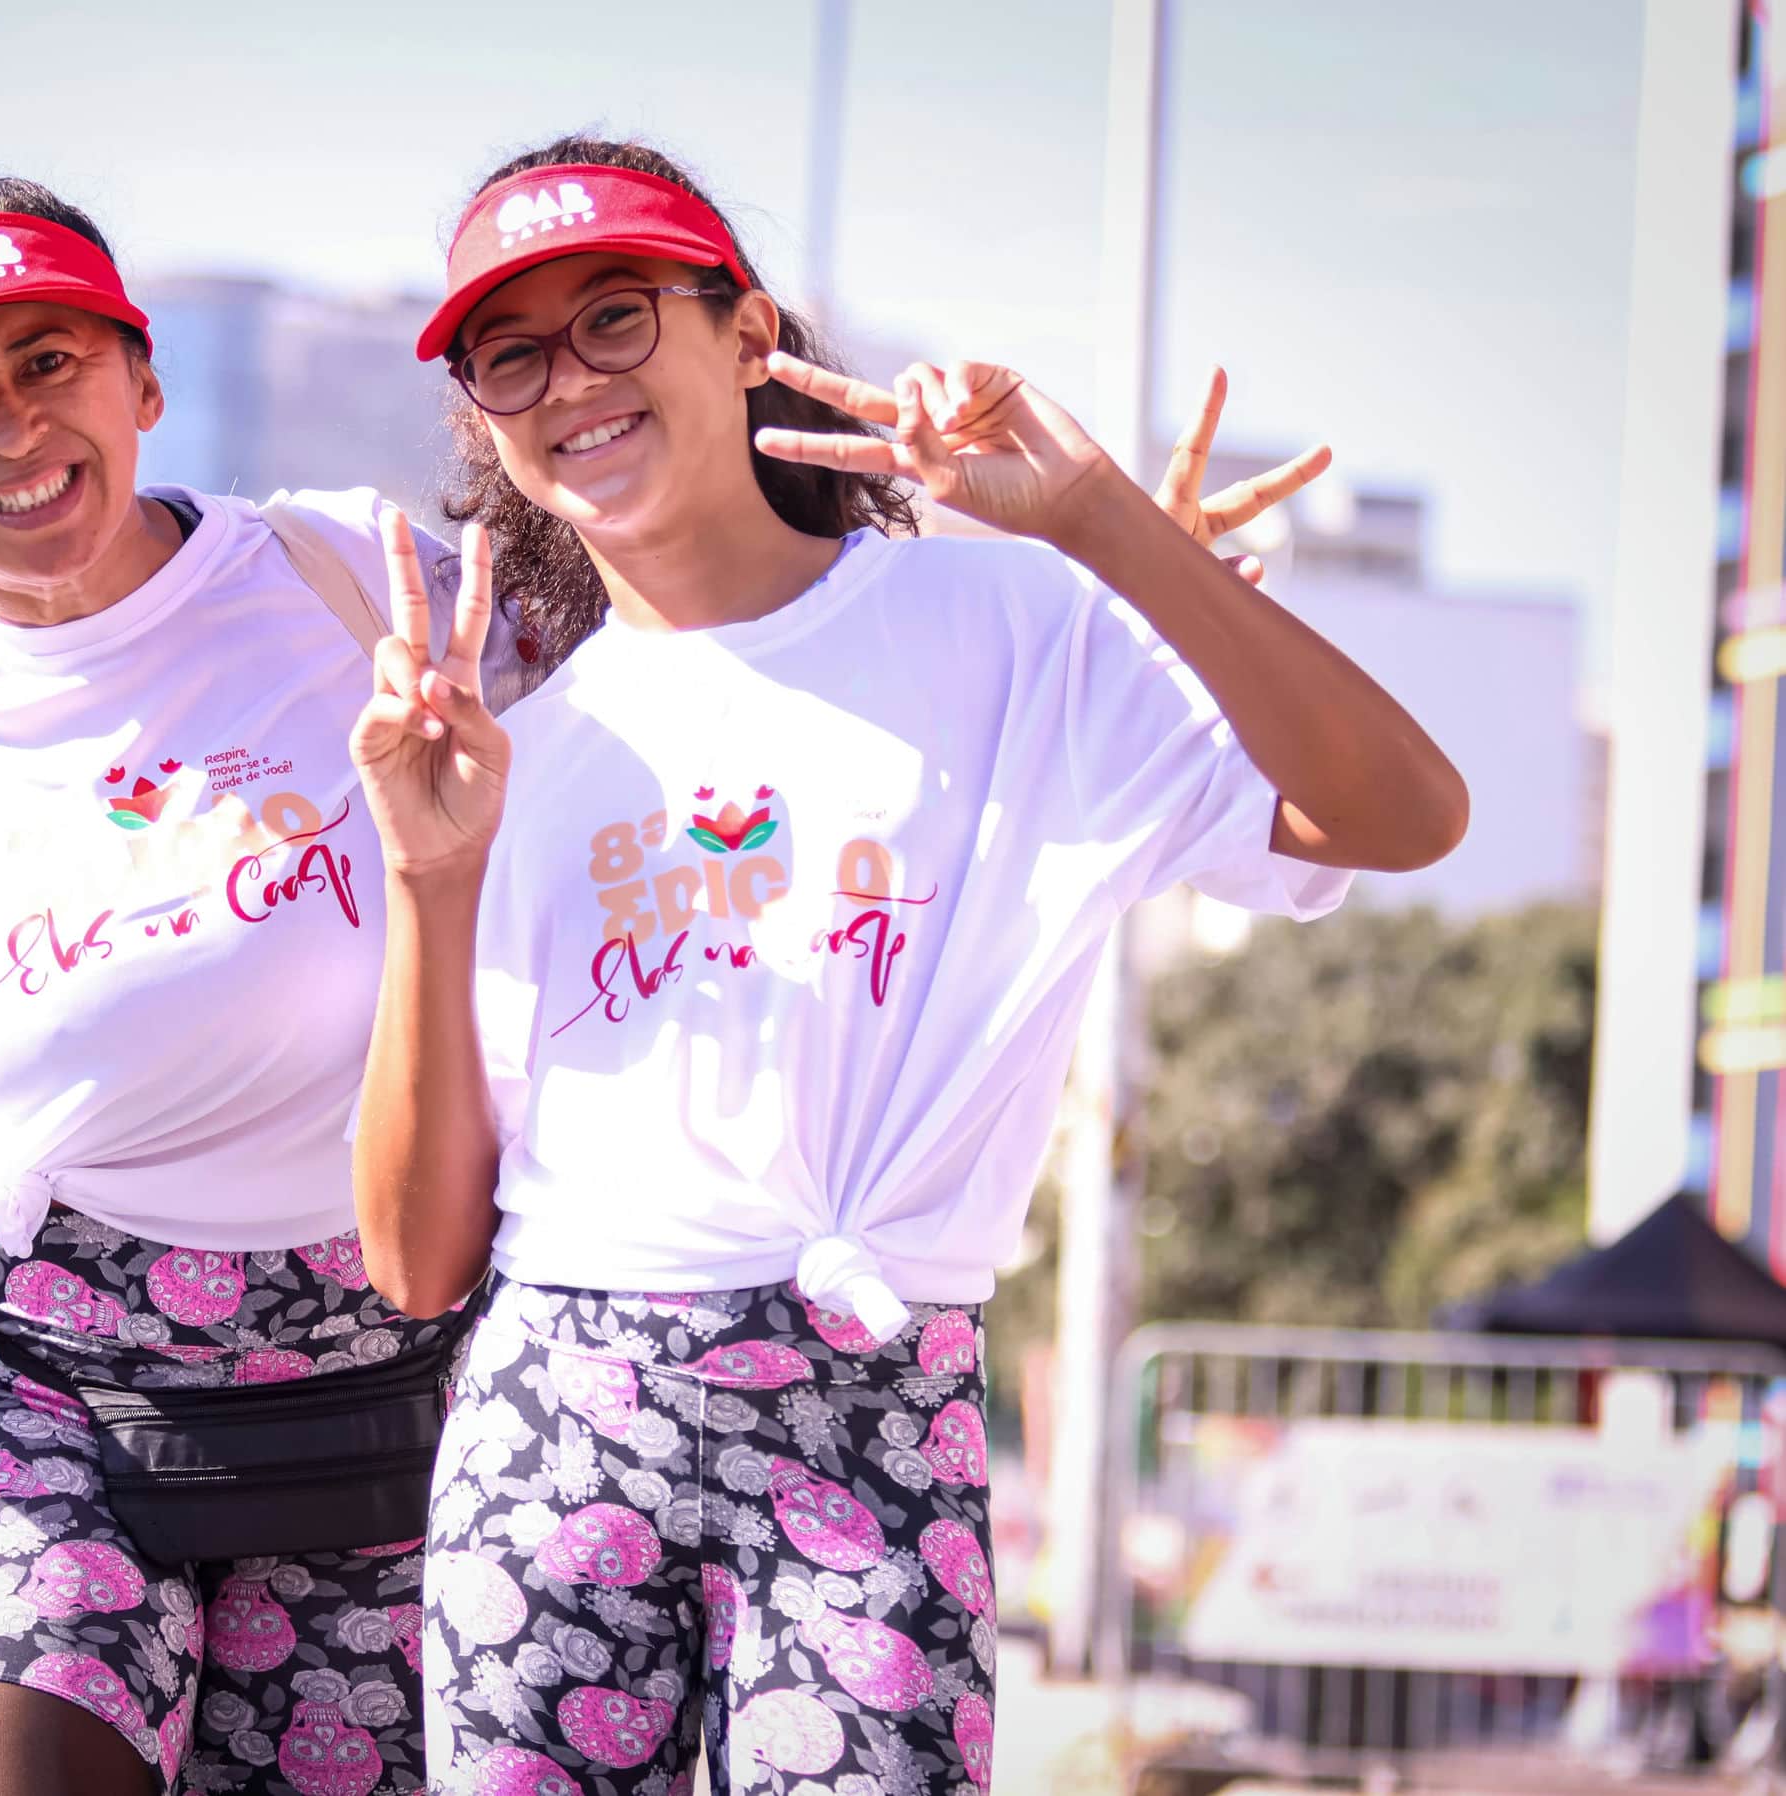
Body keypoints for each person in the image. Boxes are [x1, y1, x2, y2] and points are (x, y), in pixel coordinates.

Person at [0, 159, 1311, 1796]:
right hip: (36, 1397)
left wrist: (1112, 597)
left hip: (385, 1401)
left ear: (142, 382)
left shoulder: (361, 585)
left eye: (47, 361)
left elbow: (721, 643)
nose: (9, 428)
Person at [347, 138, 1467, 1796]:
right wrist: (426, 877)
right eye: (509, 354)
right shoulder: (516, 749)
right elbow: (416, 1260)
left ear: (744, 331)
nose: (567, 379)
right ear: (480, 418)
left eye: (614, 316)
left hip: (873, 1421)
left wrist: (1099, 526)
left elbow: (1400, 815)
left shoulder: (1008, 628)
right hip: (557, 1425)